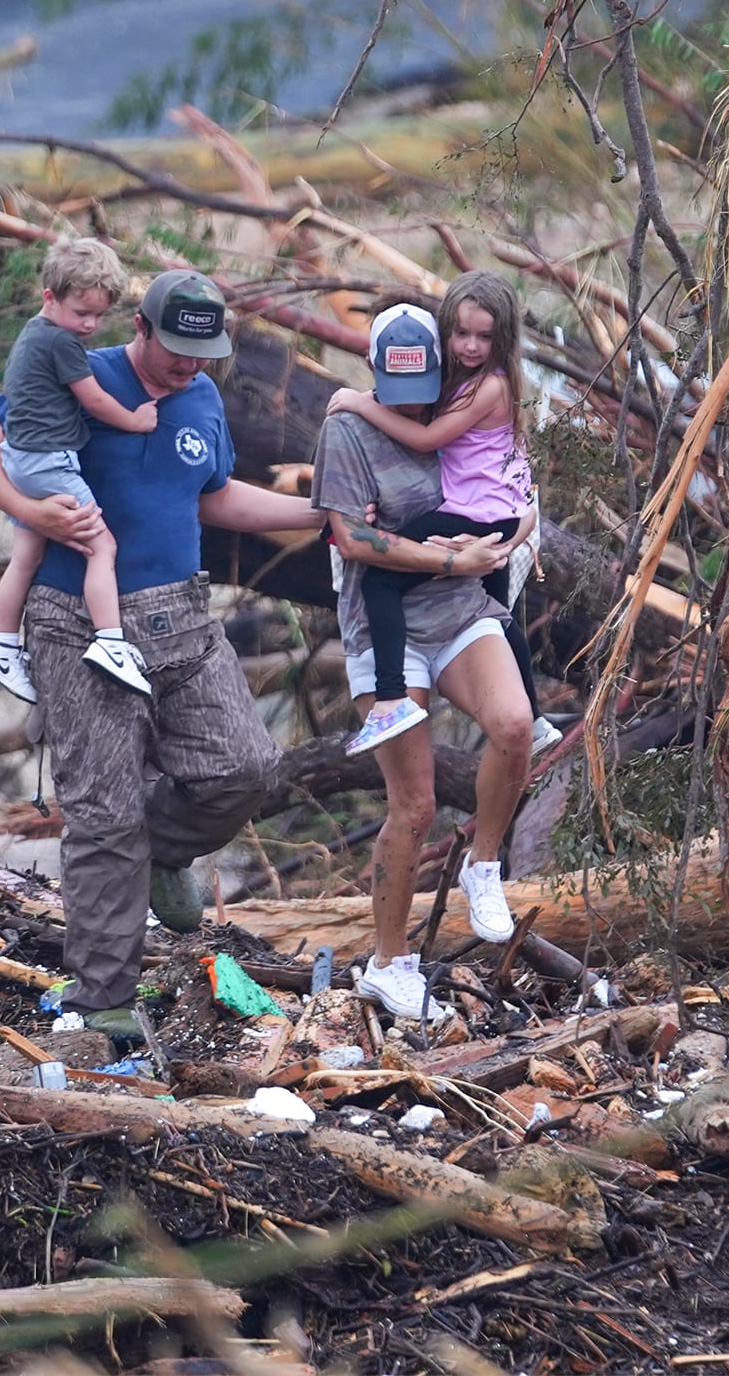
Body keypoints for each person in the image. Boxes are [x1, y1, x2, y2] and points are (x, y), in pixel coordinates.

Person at [0, 267, 319, 1039]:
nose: (189, 365)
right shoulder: (75, 368)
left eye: (204, 353)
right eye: (177, 350)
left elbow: (213, 494)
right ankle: (103, 999)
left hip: (182, 615)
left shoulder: (202, 395)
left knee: (245, 765)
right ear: (142, 328)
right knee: (102, 813)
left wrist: (313, 511)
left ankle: (159, 851)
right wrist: (33, 512)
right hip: (75, 621)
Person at [311, 323, 537, 1023]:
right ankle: (388, 962)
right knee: (413, 803)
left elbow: (523, 499)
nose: (413, 408)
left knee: (515, 723)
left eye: (422, 392)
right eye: (397, 392)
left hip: (460, 610)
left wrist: (495, 544)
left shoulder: (463, 406)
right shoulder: (347, 432)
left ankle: (484, 864)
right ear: (374, 372)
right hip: (387, 631)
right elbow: (351, 539)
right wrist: (442, 556)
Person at [327, 276, 550, 758]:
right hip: (499, 514)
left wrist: (360, 401)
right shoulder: (475, 382)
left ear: (504, 338)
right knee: (498, 613)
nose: (471, 346)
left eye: (484, 337)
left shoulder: (489, 387)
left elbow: (427, 440)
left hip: (479, 515)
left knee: (379, 581)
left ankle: (390, 700)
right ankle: (534, 719)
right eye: (462, 334)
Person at [0, 237, 159, 702]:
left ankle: (3, 645)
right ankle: (111, 641)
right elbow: (92, 398)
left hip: (19, 459)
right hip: (47, 460)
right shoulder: (62, 343)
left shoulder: (36, 333)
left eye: (99, 315)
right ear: (49, 296)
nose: (91, 326)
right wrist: (135, 420)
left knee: (26, 556)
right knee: (102, 546)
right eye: (82, 313)